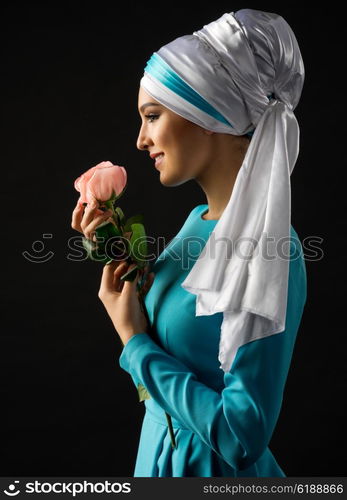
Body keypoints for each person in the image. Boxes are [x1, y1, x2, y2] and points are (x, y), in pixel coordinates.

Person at [71, 8, 307, 477]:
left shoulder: (269, 251)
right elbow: (184, 344)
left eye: (152, 116)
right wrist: (118, 251)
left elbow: (242, 438)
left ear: (208, 115)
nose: (141, 140)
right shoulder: (197, 221)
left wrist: (133, 340)